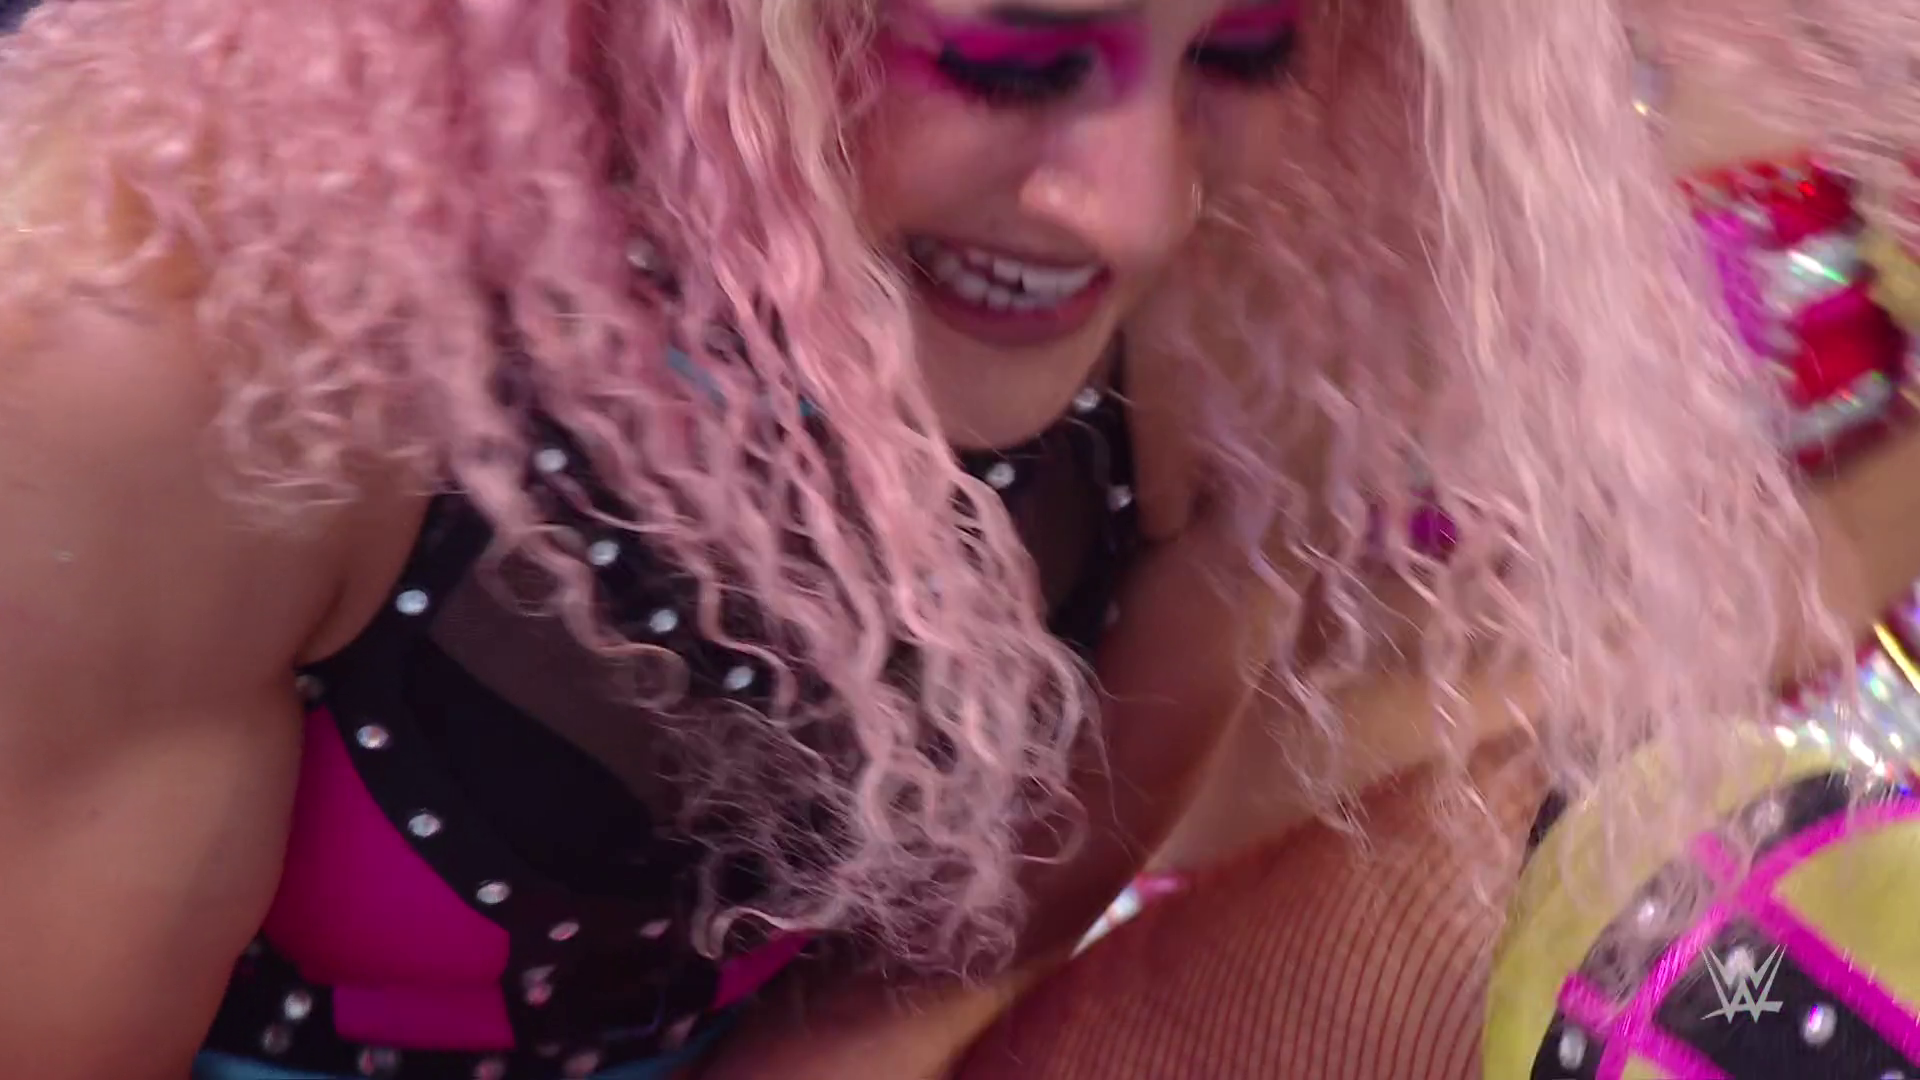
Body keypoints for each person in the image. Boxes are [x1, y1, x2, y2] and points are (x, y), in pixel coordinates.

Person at [0, 1, 1867, 1079]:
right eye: (1007, 51)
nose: (1134, 208)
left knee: (1741, 908)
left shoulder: (1248, 302)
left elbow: (942, 977)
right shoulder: (183, 350)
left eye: (1237, 42)